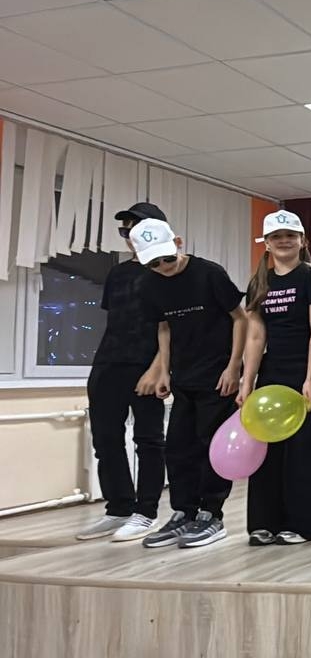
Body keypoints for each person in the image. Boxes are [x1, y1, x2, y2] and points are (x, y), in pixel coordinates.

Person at [131, 218, 247, 549]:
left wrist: (233, 367)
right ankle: (184, 512)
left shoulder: (209, 273)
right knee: (179, 448)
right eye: (154, 263)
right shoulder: (148, 285)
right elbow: (164, 327)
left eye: (167, 258)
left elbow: (239, 319)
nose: (163, 267)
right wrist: (164, 371)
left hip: (218, 376)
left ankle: (212, 514)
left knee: (212, 447)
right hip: (183, 375)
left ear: (178, 243)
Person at [238, 210, 311, 545]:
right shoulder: (259, 283)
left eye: (290, 236)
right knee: (269, 449)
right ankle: (264, 523)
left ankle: (306, 525)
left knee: (305, 450)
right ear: (266, 243)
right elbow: (256, 337)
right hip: (274, 372)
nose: (284, 241)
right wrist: (247, 382)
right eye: (276, 237)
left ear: (302, 241)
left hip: (309, 369)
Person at [76, 202, 168, 543]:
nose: (129, 235)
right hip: (109, 362)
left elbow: (172, 326)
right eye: (124, 230)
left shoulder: (166, 270)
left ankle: (146, 513)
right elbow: (117, 320)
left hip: (146, 365)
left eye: (136, 227)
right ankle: (118, 508)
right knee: (105, 439)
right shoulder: (118, 273)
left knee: (148, 440)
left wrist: (159, 368)